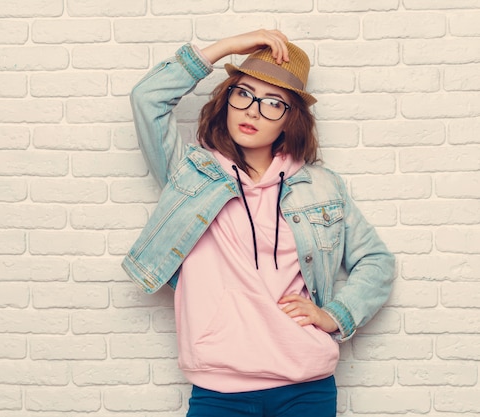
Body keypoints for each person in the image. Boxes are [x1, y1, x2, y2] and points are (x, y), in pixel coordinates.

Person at [121, 29, 395, 417]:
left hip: (306, 388)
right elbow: (146, 99)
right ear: (227, 99)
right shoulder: (191, 175)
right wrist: (228, 47)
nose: (253, 110)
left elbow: (377, 262)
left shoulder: (319, 186)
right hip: (219, 388)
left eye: (273, 103)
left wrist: (334, 314)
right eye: (244, 94)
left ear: (290, 120)